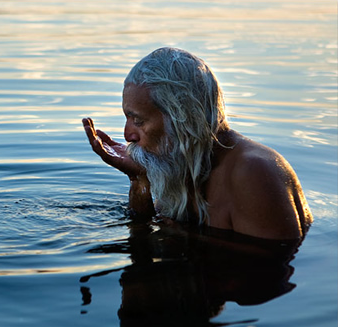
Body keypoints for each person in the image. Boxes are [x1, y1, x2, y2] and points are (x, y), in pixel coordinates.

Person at [83, 47, 312, 240]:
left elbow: (271, 271)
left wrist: (181, 235)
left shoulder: (254, 172)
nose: (127, 134)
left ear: (182, 118)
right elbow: (144, 228)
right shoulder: (179, 161)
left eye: (138, 121)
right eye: (127, 118)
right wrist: (139, 179)